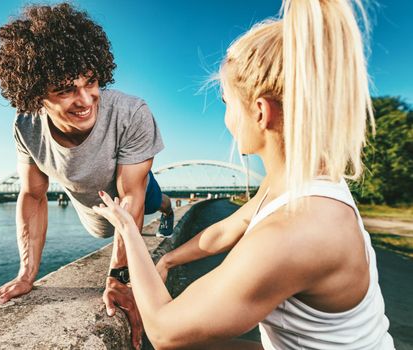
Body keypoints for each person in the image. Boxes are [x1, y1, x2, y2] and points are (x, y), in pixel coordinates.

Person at [93, 0, 395, 349]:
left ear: (260, 112)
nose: (227, 121)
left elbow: (163, 331)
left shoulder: (295, 234)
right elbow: (229, 228)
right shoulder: (300, 180)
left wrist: (129, 229)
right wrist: (169, 259)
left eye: (227, 104)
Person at [0, 3, 174, 349]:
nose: (85, 100)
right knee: (101, 224)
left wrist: (118, 276)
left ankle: (169, 205)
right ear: (36, 94)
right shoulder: (25, 125)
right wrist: (27, 274)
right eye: (65, 89)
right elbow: (33, 195)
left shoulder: (132, 113)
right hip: (88, 202)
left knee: (150, 198)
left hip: (130, 192)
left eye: (91, 81)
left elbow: (131, 196)